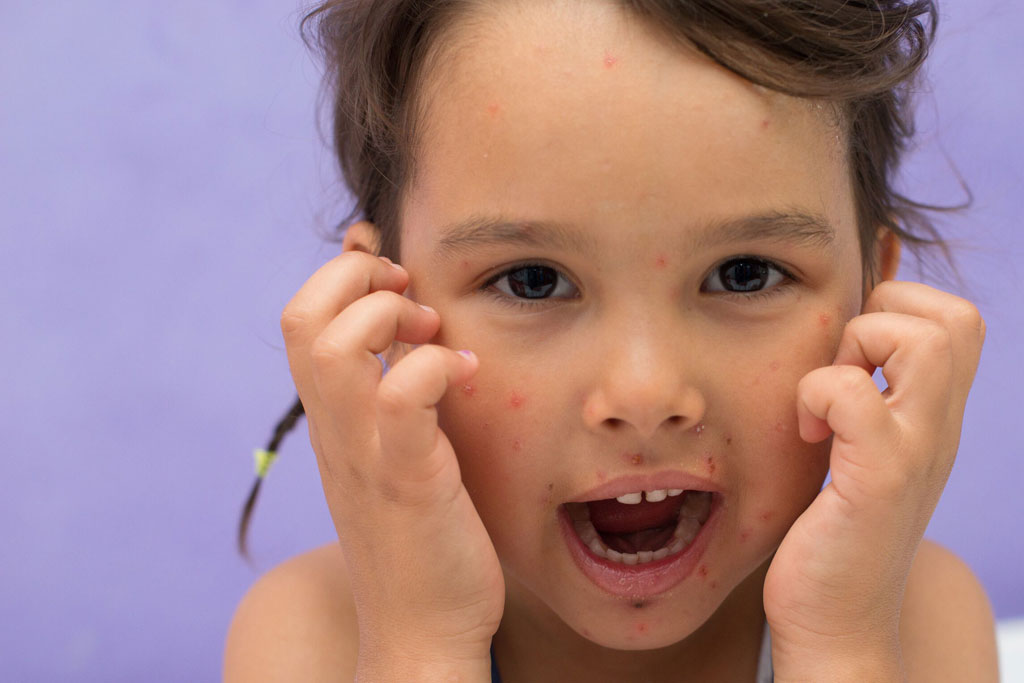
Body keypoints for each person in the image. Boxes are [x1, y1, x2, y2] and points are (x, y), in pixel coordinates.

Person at [224, 1, 998, 680]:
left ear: (872, 295)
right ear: (377, 315)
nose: (644, 394)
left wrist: (839, 646)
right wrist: (423, 647)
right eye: (532, 280)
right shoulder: (317, 637)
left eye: (743, 274)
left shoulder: (907, 620)